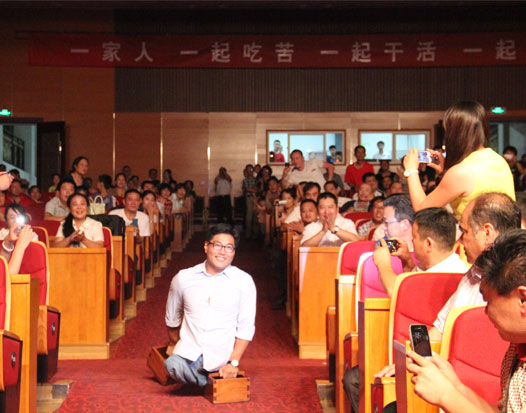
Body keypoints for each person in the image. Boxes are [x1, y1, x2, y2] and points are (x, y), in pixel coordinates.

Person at [407, 229, 526, 412]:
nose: (486, 312)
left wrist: (447, 396)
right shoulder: (515, 348)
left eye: (489, 302)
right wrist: (457, 387)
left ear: (522, 299)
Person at [164, 224, 256, 386]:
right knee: (172, 365)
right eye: (217, 245)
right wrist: (174, 343)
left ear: (234, 252)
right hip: (190, 353)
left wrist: (233, 362)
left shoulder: (244, 281)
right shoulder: (184, 278)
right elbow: (172, 317)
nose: (223, 252)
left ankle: (209, 377)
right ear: (206, 246)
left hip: (222, 356)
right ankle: (211, 382)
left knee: (179, 369)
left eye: (229, 247)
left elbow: (246, 327)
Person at [404, 101, 515, 220]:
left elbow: (422, 211)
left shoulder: (461, 172)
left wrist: (411, 171)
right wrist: (445, 172)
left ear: (455, 133)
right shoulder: (499, 160)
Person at [373, 207, 468, 297]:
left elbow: (397, 292)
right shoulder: (448, 264)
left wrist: (383, 263)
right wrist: (407, 260)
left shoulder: (446, 276)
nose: (412, 241)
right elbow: (414, 284)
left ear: (428, 244)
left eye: (414, 237)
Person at [0, 204, 36, 274]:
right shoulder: (1, 233)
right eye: (12, 217)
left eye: (19, 217)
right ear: (6, 219)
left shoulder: (31, 234)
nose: (16, 220)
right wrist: (7, 241)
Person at [242, 165, 258, 239]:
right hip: (249, 198)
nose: (249, 171)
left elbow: (258, 189)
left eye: (251, 169)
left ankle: (255, 234)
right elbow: (247, 189)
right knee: (249, 216)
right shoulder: (245, 180)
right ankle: (248, 234)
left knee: (256, 216)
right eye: (248, 170)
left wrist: (254, 190)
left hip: (257, 198)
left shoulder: (256, 179)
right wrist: (254, 190)